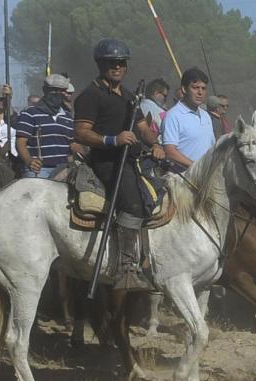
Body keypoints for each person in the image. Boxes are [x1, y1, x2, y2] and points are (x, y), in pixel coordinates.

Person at [73, 38, 164, 291]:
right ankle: (126, 268)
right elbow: (81, 133)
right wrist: (113, 139)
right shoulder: (90, 95)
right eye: (112, 63)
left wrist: (156, 144)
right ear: (101, 64)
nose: (117, 67)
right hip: (107, 161)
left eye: (121, 63)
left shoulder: (128, 96)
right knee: (133, 203)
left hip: (133, 160)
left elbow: (144, 129)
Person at [13, 74, 78, 179]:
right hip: (39, 169)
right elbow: (20, 143)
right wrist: (29, 161)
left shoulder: (68, 118)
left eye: (62, 90)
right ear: (45, 90)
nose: (58, 93)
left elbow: (71, 144)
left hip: (64, 169)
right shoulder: (29, 113)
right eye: (54, 90)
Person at [161, 67, 215, 169]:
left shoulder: (206, 116)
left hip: (205, 179)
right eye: (195, 88)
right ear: (184, 89)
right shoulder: (173, 116)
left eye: (203, 88)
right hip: (182, 179)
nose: (200, 92)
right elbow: (169, 151)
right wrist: (196, 167)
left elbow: (212, 148)